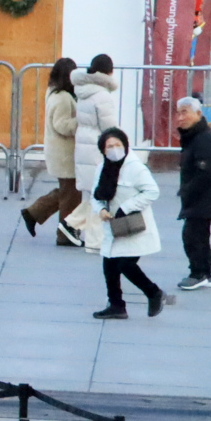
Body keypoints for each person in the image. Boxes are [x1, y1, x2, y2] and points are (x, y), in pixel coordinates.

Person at [73, 127, 169, 319]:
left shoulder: (135, 167)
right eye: (109, 146)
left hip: (133, 226)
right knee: (109, 264)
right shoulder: (103, 167)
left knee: (125, 264)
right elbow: (96, 195)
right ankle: (116, 305)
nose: (114, 149)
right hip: (113, 227)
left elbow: (152, 191)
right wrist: (101, 210)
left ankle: (153, 292)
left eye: (118, 145)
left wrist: (127, 207)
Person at [20, 58, 83, 244]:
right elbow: (61, 125)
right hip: (65, 154)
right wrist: (81, 122)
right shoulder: (63, 98)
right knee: (71, 195)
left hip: (60, 153)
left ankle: (34, 212)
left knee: (67, 192)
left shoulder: (54, 93)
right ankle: (65, 235)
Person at [175, 95, 211, 291]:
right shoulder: (194, 136)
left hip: (203, 198)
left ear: (198, 114)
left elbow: (208, 171)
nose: (180, 117)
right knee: (198, 235)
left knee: (193, 236)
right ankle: (205, 274)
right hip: (199, 197)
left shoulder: (204, 139)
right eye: (178, 113)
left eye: (185, 113)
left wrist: (188, 190)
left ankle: (199, 273)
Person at [72, 54, 119, 203]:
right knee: (99, 200)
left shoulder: (82, 91)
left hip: (83, 145)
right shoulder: (102, 95)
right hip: (97, 147)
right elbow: (109, 128)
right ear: (109, 72)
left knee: (87, 198)